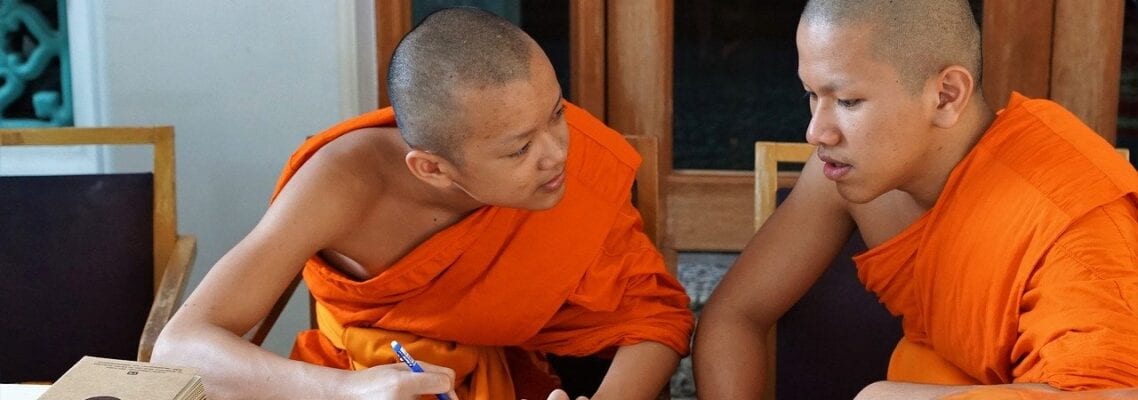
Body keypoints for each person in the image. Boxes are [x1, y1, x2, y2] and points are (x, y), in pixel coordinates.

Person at [153, 8, 692, 400]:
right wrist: (349, 391)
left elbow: (655, 318)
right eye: (520, 148)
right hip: (364, 379)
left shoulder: (562, 173)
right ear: (432, 168)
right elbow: (179, 347)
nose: (558, 154)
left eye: (556, 114)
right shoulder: (341, 184)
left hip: (520, 376)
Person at [693, 0, 1138, 398]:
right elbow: (734, 314)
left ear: (945, 96)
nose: (816, 131)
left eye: (847, 101)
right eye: (812, 94)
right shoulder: (849, 172)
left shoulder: (1073, 224)